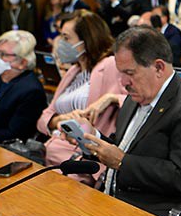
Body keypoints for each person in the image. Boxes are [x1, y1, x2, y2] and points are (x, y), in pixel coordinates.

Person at [79, 26, 181, 216]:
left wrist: (122, 162)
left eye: (130, 73)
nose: (123, 82)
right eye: (121, 73)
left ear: (158, 68)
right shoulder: (134, 98)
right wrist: (93, 140)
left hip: (155, 215)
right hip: (115, 203)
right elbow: (125, 150)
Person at [36, 11, 126, 179]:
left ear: (87, 40)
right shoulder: (74, 71)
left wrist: (110, 98)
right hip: (52, 153)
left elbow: (137, 102)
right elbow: (43, 119)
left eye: (66, 37)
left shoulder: (110, 65)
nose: (60, 43)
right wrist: (60, 119)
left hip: (82, 161)